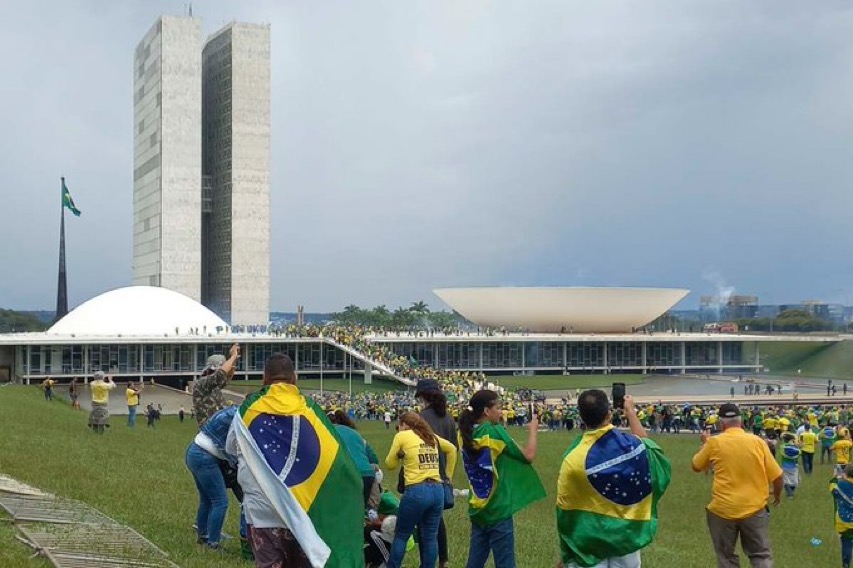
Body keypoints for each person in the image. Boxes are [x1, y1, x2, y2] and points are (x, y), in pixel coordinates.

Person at [226, 353, 365, 567]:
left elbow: (230, 448)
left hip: (262, 513)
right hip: (302, 511)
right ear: (295, 378)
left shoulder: (247, 411)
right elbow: (333, 456)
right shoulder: (310, 410)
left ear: (264, 378)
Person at [557, 392, 671, 568]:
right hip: (625, 538)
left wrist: (568, 552)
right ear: (609, 414)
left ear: (581, 417)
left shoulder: (572, 459)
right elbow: (652, 453)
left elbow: (566, 509)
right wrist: (631, 412)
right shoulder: (633, 446)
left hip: (589, 544)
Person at [458, 390, 545, 568]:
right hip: (498, 508)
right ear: (486, 411)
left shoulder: (465, 434)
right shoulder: (493, 432)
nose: (501, 412)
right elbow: (528, 455)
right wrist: (533, 430)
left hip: (477, 507)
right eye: (498, 408)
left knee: (474, 562)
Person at [692, 403, 783, 568]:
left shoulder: (714, 442)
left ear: (721, 423)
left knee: (726, 558)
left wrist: (705, 443)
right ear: (741, 422)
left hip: (723, 509)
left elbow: (696, 465)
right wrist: (777, 494)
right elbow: (777, 475)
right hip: (754, 508)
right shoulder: (757, 442)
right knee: (760, 555)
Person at [385, 412, 456, 568]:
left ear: (404, 424)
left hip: (417, 490)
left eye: (400, 425)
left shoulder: (402, 436)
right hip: (437, 490)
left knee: (402, 535)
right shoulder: (431, 436)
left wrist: (398, 454)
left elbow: (390, 464)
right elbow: (451, 449)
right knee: (430, 537)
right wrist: (448, 476)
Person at [416, 378, 458, 568]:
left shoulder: (421, 417)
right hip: (442, 476)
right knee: (436, 518)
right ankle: (444, 560)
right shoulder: (448, 418)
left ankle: (428, 562)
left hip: (424, 473)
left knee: (424, 523)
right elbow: (454, 448)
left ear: (424, 395)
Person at [186, 405, 239, 550]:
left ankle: (203, 535)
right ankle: (213, 543)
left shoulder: (230, 411)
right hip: (205, 457)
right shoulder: (240, 418)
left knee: (207, 499)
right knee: (220, 501)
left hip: (194, 451)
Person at [327, 409, 380, 506]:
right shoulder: (356, 434)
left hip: (346, 475)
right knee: (361, 509)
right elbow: (374, 459)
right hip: (367, 475)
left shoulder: (326, 432)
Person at [193, 343, 240, 426]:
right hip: (209, 434)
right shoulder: (202, 384)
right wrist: (232, 357)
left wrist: (234, 360)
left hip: (218, 431)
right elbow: (221, 375)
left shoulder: (214, 386)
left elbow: (227, 378)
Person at [829, 464, 853, 568]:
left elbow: (832, 488)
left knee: (846, 544)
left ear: (845, 474)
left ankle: (846, 564)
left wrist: (836, 477)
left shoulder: (841, 485)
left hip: (845, 523)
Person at [779, 433, 801, 499]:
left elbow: (784, 454)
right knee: (795, 482)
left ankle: (789, 493)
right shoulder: (795, 448)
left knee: (786, 481)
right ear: (791, 440)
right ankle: (790, 494)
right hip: (794, 466)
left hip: (785, 466)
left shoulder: (782, 446)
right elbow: (799, 453)